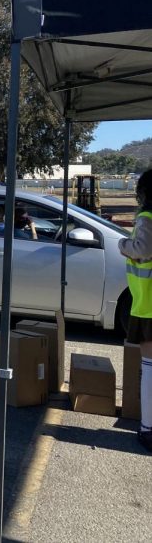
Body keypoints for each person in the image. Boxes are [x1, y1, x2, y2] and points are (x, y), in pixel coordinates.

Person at [119, 168, 152, 452]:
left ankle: (147, 428)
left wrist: (122, 243)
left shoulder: (147, 218)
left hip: (148, 305)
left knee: (149, 369)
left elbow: (141, 248)